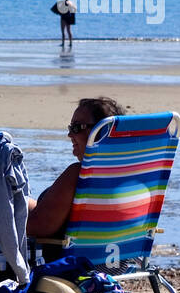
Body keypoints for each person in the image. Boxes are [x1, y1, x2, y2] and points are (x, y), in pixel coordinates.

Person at [27, 96, 124, 250]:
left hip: (67, 262)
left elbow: (36, 228)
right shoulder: (128, 174)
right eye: (70, 127)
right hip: (117, 261)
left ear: (102, 132)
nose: (70, 135)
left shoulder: (79, 175)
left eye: (77, 128)